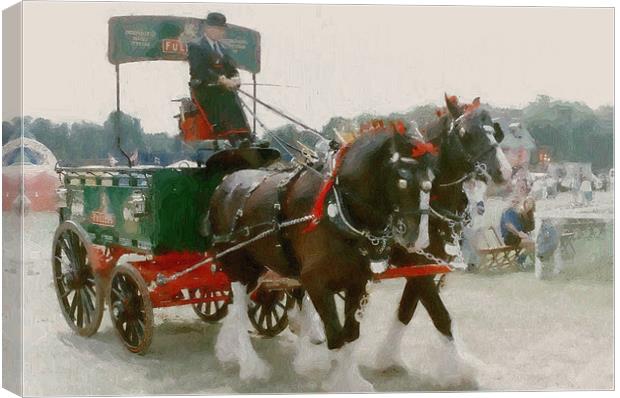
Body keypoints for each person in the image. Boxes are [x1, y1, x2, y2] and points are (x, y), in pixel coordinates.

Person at [187, 12, 251, 142]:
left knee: (233, 97)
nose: (221, 32)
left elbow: (231, 69)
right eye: (218, 29)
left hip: (222, 88)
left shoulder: (224, 48)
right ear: (208, 28)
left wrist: (235, 78)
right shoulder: (196, 46)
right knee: (224, 96)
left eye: (222, 29)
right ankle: (229, 135)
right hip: (203, 87)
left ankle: (244, 135)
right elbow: (199, 70)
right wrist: (221, 79)